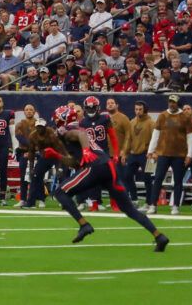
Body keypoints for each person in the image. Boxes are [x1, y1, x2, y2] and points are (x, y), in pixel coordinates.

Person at [37, 103, 168, 249]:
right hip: (107, 167)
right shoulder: (72, 132)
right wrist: (56, 155)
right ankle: (159, 236)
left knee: (60, 192)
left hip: (96, 166)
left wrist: (86, 150)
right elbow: (75, 163)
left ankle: (84, 225)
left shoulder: (70, 131)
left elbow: (82, 135)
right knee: (128, 208)